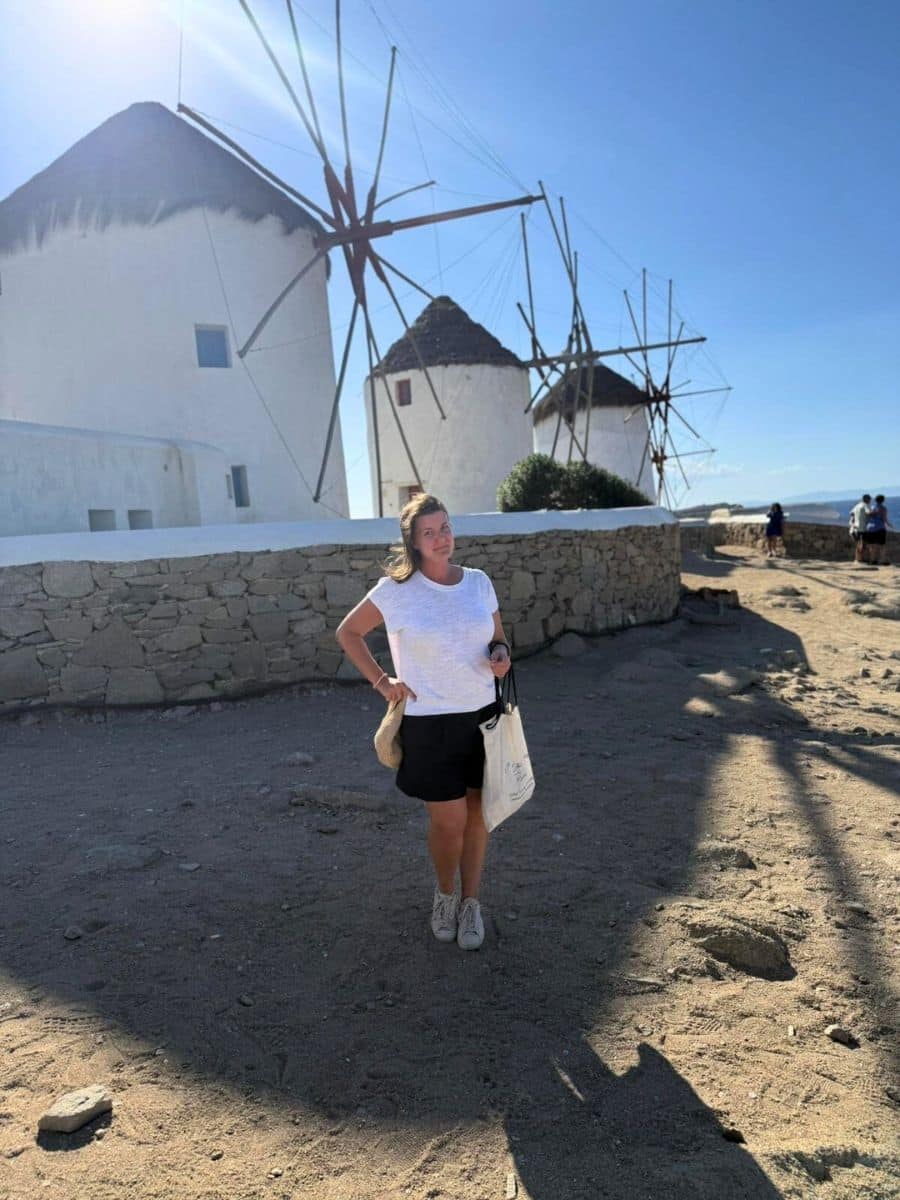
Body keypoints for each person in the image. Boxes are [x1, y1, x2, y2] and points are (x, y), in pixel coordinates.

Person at [336, 494, 512, 951]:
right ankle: (445, 894)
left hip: (483, 716)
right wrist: (382, 681)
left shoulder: (478, 583)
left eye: (446, 528)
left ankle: (471, 902)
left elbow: (498, 638)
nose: (441, 539)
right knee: (448, 821)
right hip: (429, 722)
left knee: (478, 817)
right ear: (413, 543)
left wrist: (500, 656)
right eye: (429, 532)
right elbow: (348, 632)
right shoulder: (396, 591)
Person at [864, 494, 891, 565]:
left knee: (872, 545)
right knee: (882, 545)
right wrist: (889, 524)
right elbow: (884, 519)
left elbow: (868, 515)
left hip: (870, 528)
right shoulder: (883, 508)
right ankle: (882, 560)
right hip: (879, 528)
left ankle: (873, 560)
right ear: (883, 500)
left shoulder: (872, 507)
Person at [849, 493, 872, 563]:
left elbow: (851, 513)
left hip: (856, 527)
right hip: (863, 527)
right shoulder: (865, 505)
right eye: (869, 499)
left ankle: (857, 558)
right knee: (863, 543)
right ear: (867, 499)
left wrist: (853, 522)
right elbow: (869, 512)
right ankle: (862, 558)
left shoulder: (857, 505)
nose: (870, 501)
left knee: (859, 543)